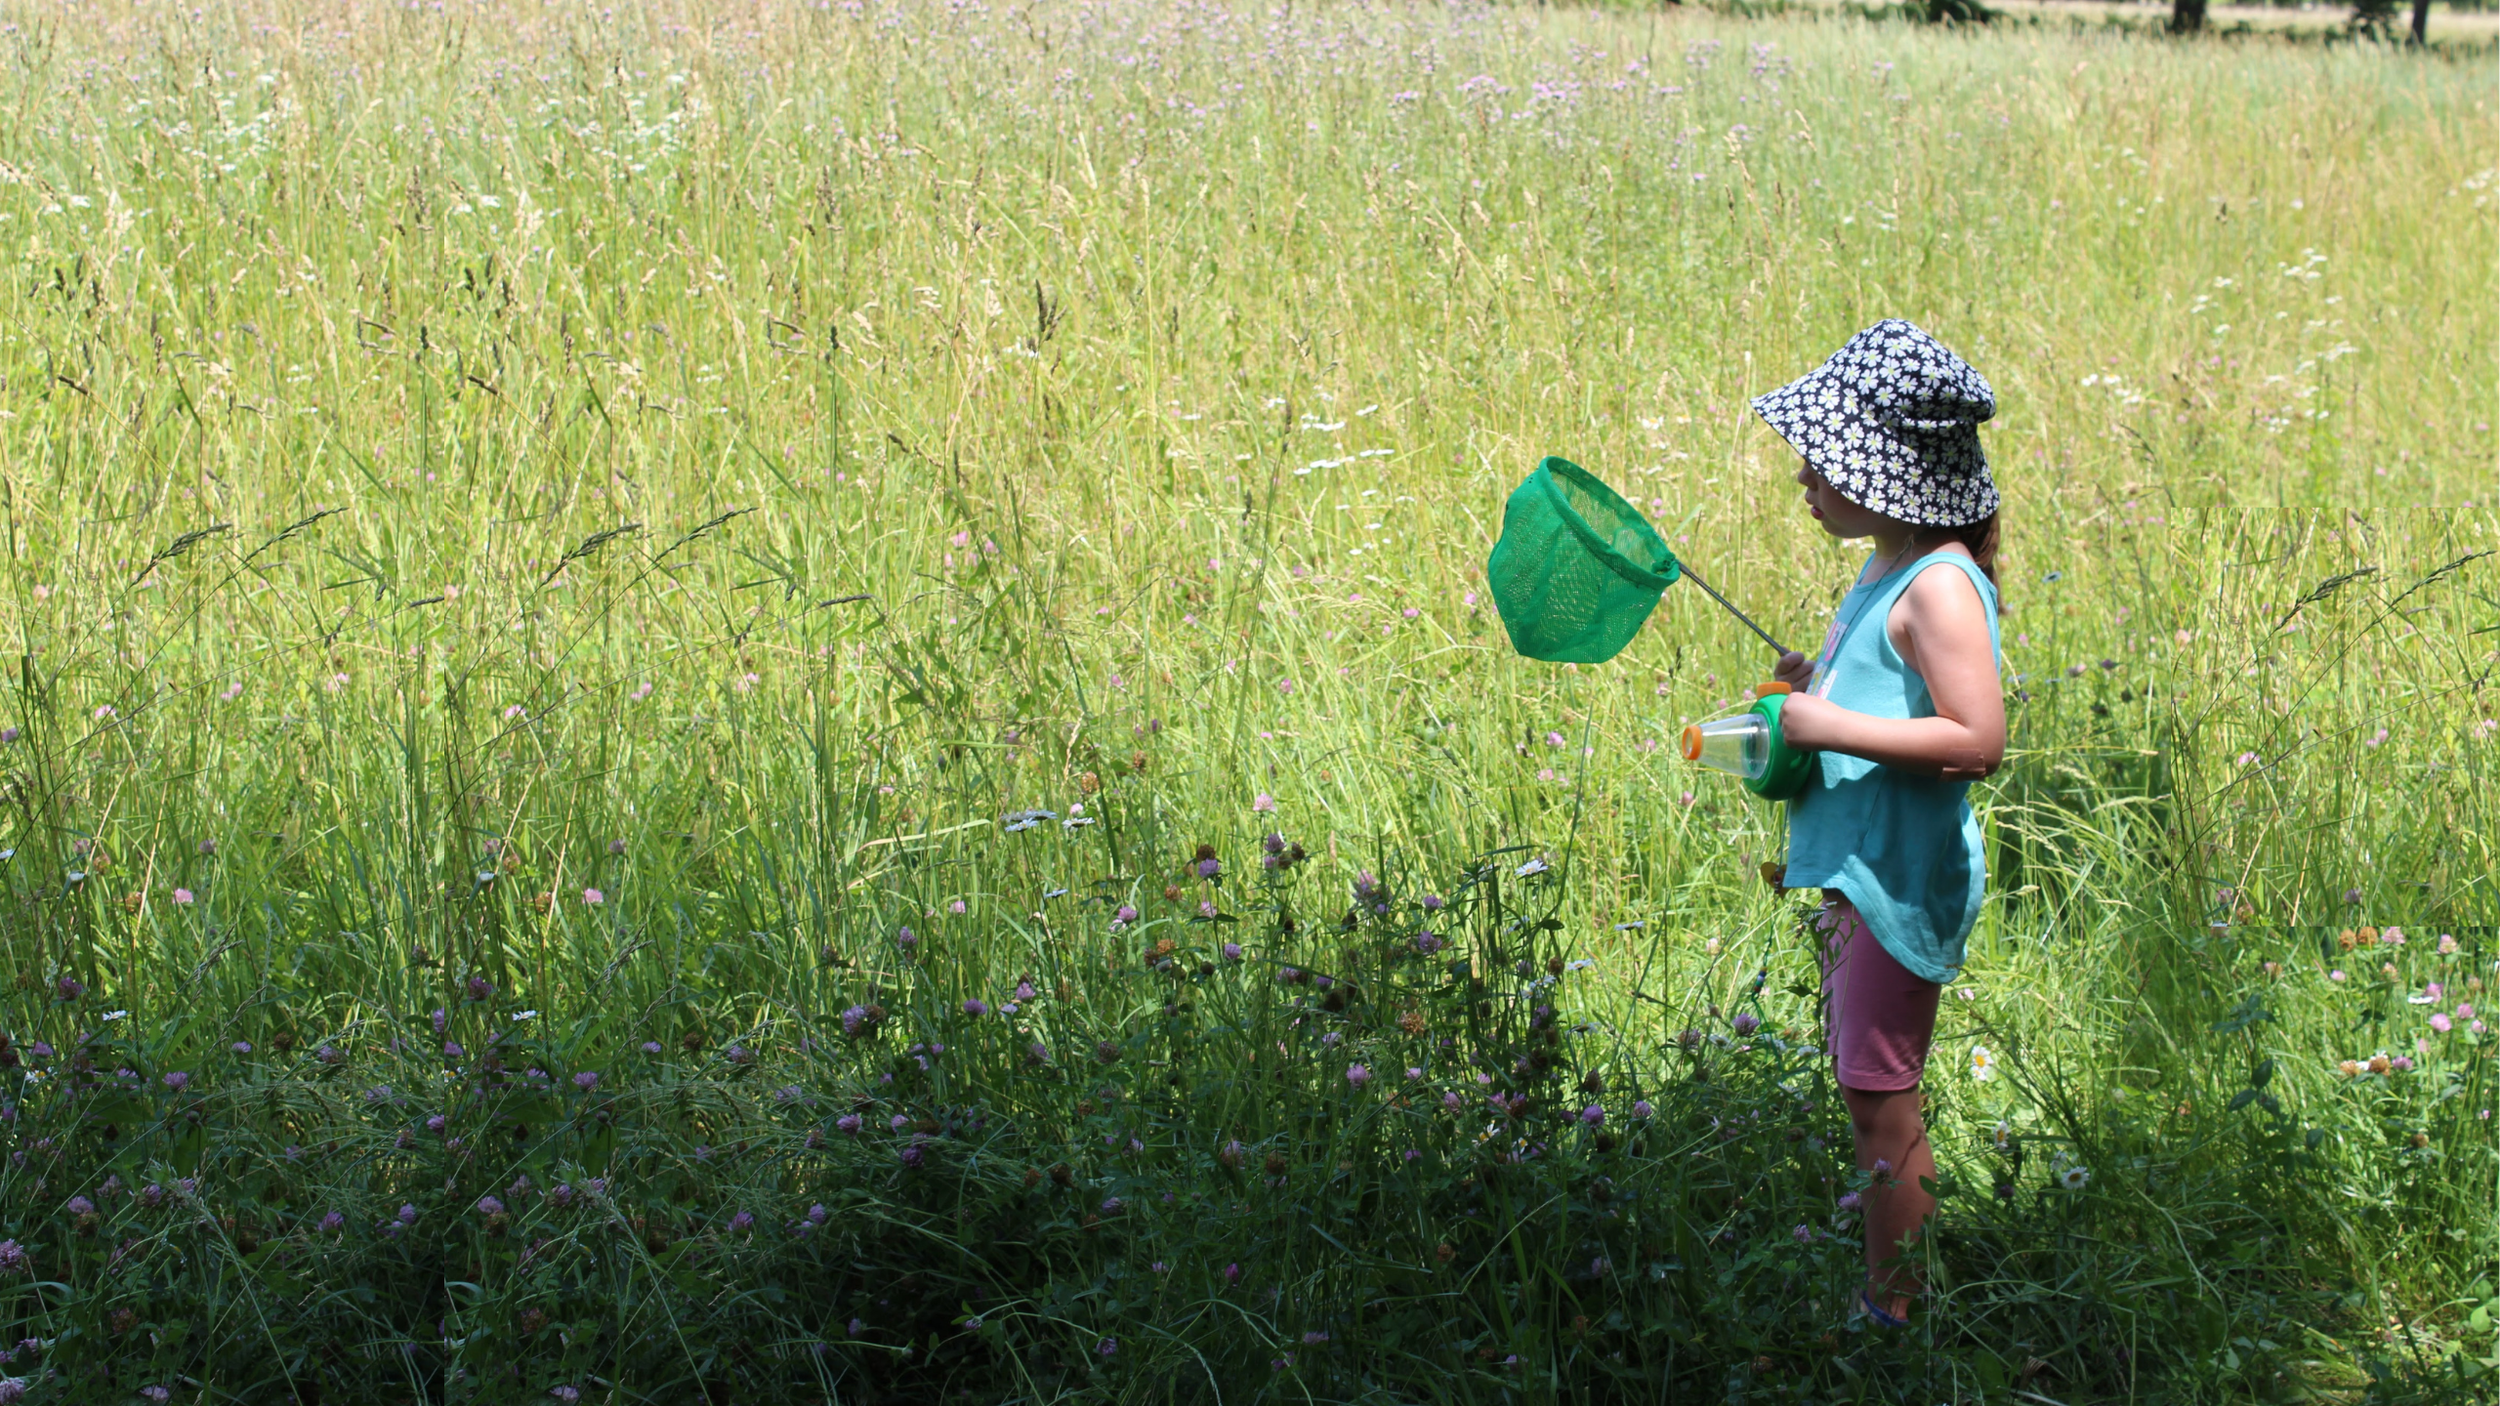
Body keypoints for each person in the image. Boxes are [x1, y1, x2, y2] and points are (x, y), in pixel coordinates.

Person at [1750, 319, 2007, 1330]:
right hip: (1855, 869)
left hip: (1894, 878)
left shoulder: (1937, 583)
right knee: (1867, 1091)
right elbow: (1892, 704)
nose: (1805, 474)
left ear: (1892, 469)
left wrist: (1828, 719)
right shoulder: (1889, 566)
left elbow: (1976, 737)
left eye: (1824, 456)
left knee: (1879, 1100)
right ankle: (1890, 1291)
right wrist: (1808, 696)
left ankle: (1895, 1317)